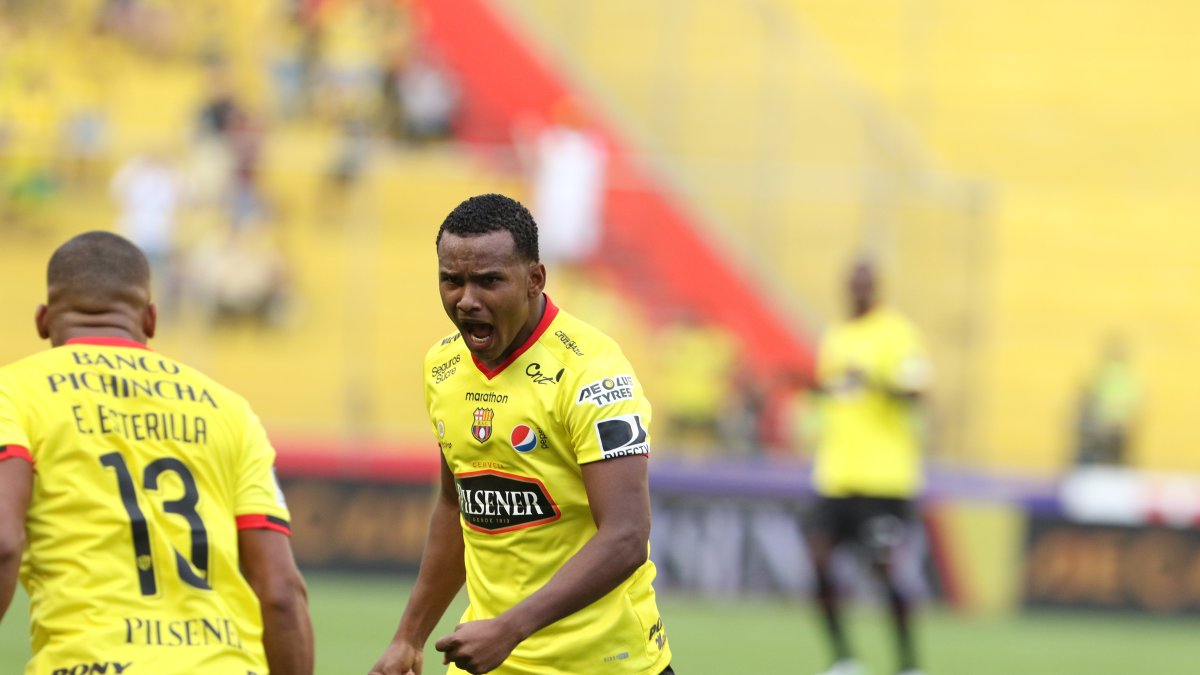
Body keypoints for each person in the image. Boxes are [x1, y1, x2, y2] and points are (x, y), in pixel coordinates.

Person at [369, 194, 673, 675]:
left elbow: (627, 535)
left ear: (535, 280)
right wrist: (409, 637)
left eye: (489, 281)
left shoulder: (593, 372)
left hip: (604, 664)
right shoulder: (443, 367)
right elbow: (457, 506)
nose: (467, 300)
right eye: (452, 280)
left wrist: (510, 629)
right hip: (489, 659)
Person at [0, 231, 313, 675]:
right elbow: (281, 592)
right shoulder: (229, 409)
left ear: (42, 320)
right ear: (150, 319)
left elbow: (2, 541)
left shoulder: (12, 394)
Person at [805, 257, 931, 675]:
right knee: (818, 563)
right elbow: (831, 397)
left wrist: (875, 380)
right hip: (837, 476)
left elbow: (915, 393)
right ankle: (844, 659)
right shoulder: (836, 337)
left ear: (876, 287)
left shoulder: (899, 334)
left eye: (866, 283)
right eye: (853, 283)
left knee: (885, 571)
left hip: (884, 479)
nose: (859, 290)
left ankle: (907, 664)